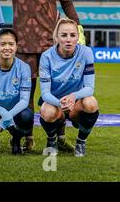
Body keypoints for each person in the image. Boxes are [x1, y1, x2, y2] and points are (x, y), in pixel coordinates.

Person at [0, 0, 84, 152]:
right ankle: (26, 136)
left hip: (50, 45)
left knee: (57, 92)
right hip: (23, 43)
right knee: (24, 93)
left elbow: (67, 2)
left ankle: (60, 135)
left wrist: (77, 26)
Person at [39, 18, 98, 157]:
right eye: (64, 35)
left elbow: (89, 88)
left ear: (78, 37)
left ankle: (81, 142)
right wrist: (60, 103)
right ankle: (52, 140)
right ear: (56, 37)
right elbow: (45, 93)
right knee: (46, 111)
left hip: (76, 103)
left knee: (91, 103)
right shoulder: (46, 56)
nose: (68, 39)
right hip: (54, 102)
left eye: (72, 35)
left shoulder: (86, 52)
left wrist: (73, 97)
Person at [0, 29, 34, 155]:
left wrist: (8, 116)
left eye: (11, 44)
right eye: (3, 44)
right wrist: (4, 115)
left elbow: (25, 101)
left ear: (16, 47)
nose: (7, 48)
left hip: (16, 110)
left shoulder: (24, 68)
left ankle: (16, 141)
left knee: (27, 116)